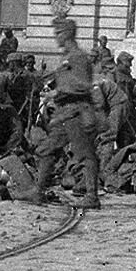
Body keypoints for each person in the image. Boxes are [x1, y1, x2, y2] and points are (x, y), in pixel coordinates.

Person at [48, 15, 104, 208]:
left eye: (58, 33)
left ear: (67, 34)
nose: (56, 37)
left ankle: (92, 196)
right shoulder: (66, 57)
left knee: (86, 154)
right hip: (64, 113)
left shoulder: (78, 57)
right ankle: (37, 191)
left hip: (77, 112)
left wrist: (59, 91)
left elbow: (84, 85)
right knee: (47, 149)